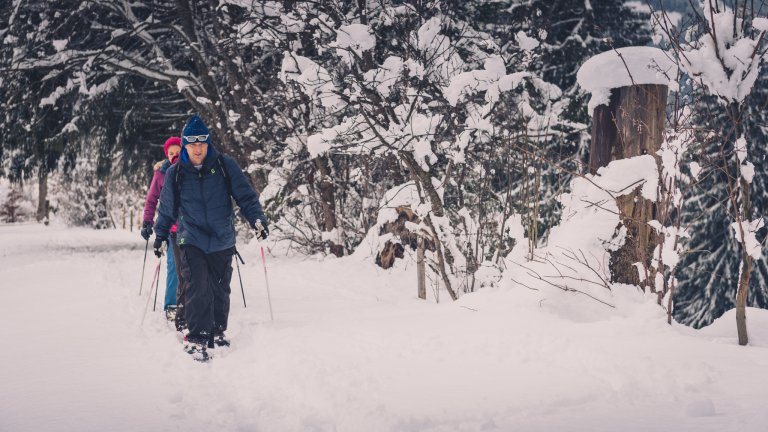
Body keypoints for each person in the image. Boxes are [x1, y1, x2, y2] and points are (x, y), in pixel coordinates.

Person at [153, 114, 268, 361]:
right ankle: (196, 337)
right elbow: (167, 209)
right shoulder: (176, 173)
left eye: (202, 143)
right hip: (191, 237)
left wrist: (257, 220)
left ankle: (216, 332)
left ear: (208, 143)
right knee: (196, 286)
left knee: (219, 288)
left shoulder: (225, 165)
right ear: (185, 145)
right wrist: (161, 235)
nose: (197, 148)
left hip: (221, 237)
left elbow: (245, 197)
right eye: (192, 144)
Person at [141, 137, 183, 322]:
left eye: (177, 152)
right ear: (167, 155)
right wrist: (147, 222)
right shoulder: (161, 173)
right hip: (170, 226)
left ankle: (190, 301)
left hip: (190, 226)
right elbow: (151, 200)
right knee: (173, 265)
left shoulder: (190, 171)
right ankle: (171, 304)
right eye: (170, 153)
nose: (174, 155)